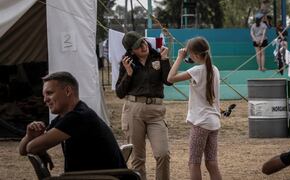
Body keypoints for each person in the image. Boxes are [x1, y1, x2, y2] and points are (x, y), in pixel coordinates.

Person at [18, 71, 126, 172]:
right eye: (44, 95)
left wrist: (40, 148)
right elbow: (23, 151)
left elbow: (31, 147)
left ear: (68, 91)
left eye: (49, 93)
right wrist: (30, 135)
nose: (45, 100)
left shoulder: (79, 117)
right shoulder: (68, 116)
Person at [116, 31, 172, 180]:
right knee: (137, 159)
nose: (143, 46)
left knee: (163, 154)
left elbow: (169, 81)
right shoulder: (126, 63)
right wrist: (128, 74)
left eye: (143, 42)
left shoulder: (158, 56)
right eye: (137, 46)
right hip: (133, 111)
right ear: (131, 51)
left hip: (156, 112)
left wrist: (165, 60)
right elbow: (120, 93)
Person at [167, 36, 222, 180]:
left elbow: (170, 78)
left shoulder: (197, 70)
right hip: (214, 122)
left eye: (190, 54)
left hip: (201, 122)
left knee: (194, 163)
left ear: (196, 55)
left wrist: (179, 57)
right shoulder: (214, 69)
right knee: (211, 162)